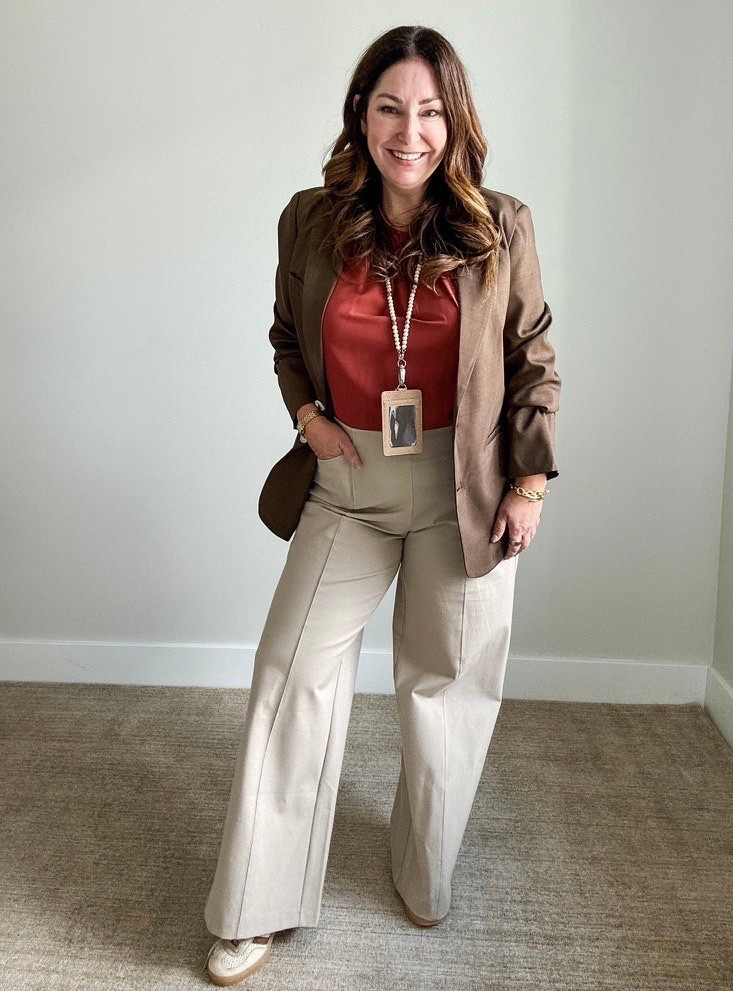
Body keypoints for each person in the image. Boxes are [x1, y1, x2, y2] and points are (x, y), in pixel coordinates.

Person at [203, 24, 561, 986]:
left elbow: (533, 361)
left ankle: (423, 868)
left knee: (445, 690)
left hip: (464, 487)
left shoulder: (502, 225)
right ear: (361, 114)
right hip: (348, 485)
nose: (411, 131)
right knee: (290, 671)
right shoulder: (308, 219)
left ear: (456, 121)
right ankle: (255, 902)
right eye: (391, 107)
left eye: (431, 110)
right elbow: (285, 335)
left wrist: (527, 483)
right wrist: (310, 416)